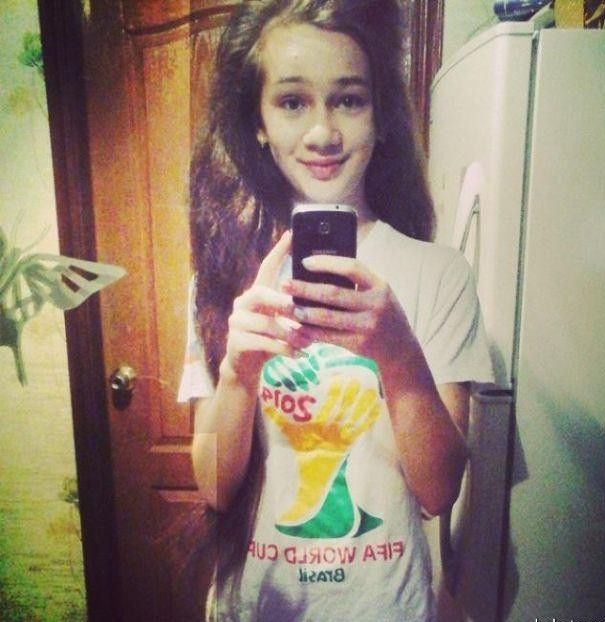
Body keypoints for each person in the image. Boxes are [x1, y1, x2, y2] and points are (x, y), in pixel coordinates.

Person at [178, 1, 494, 620]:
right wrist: (238, 375)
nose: (323, 132)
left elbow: (438, 492)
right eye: (292, 102)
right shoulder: (219, 280)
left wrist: (397, 355)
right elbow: (213, 488)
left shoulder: (438, 275)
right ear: (259, 121)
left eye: (348, 100)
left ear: (380, 116)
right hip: (256, 606)